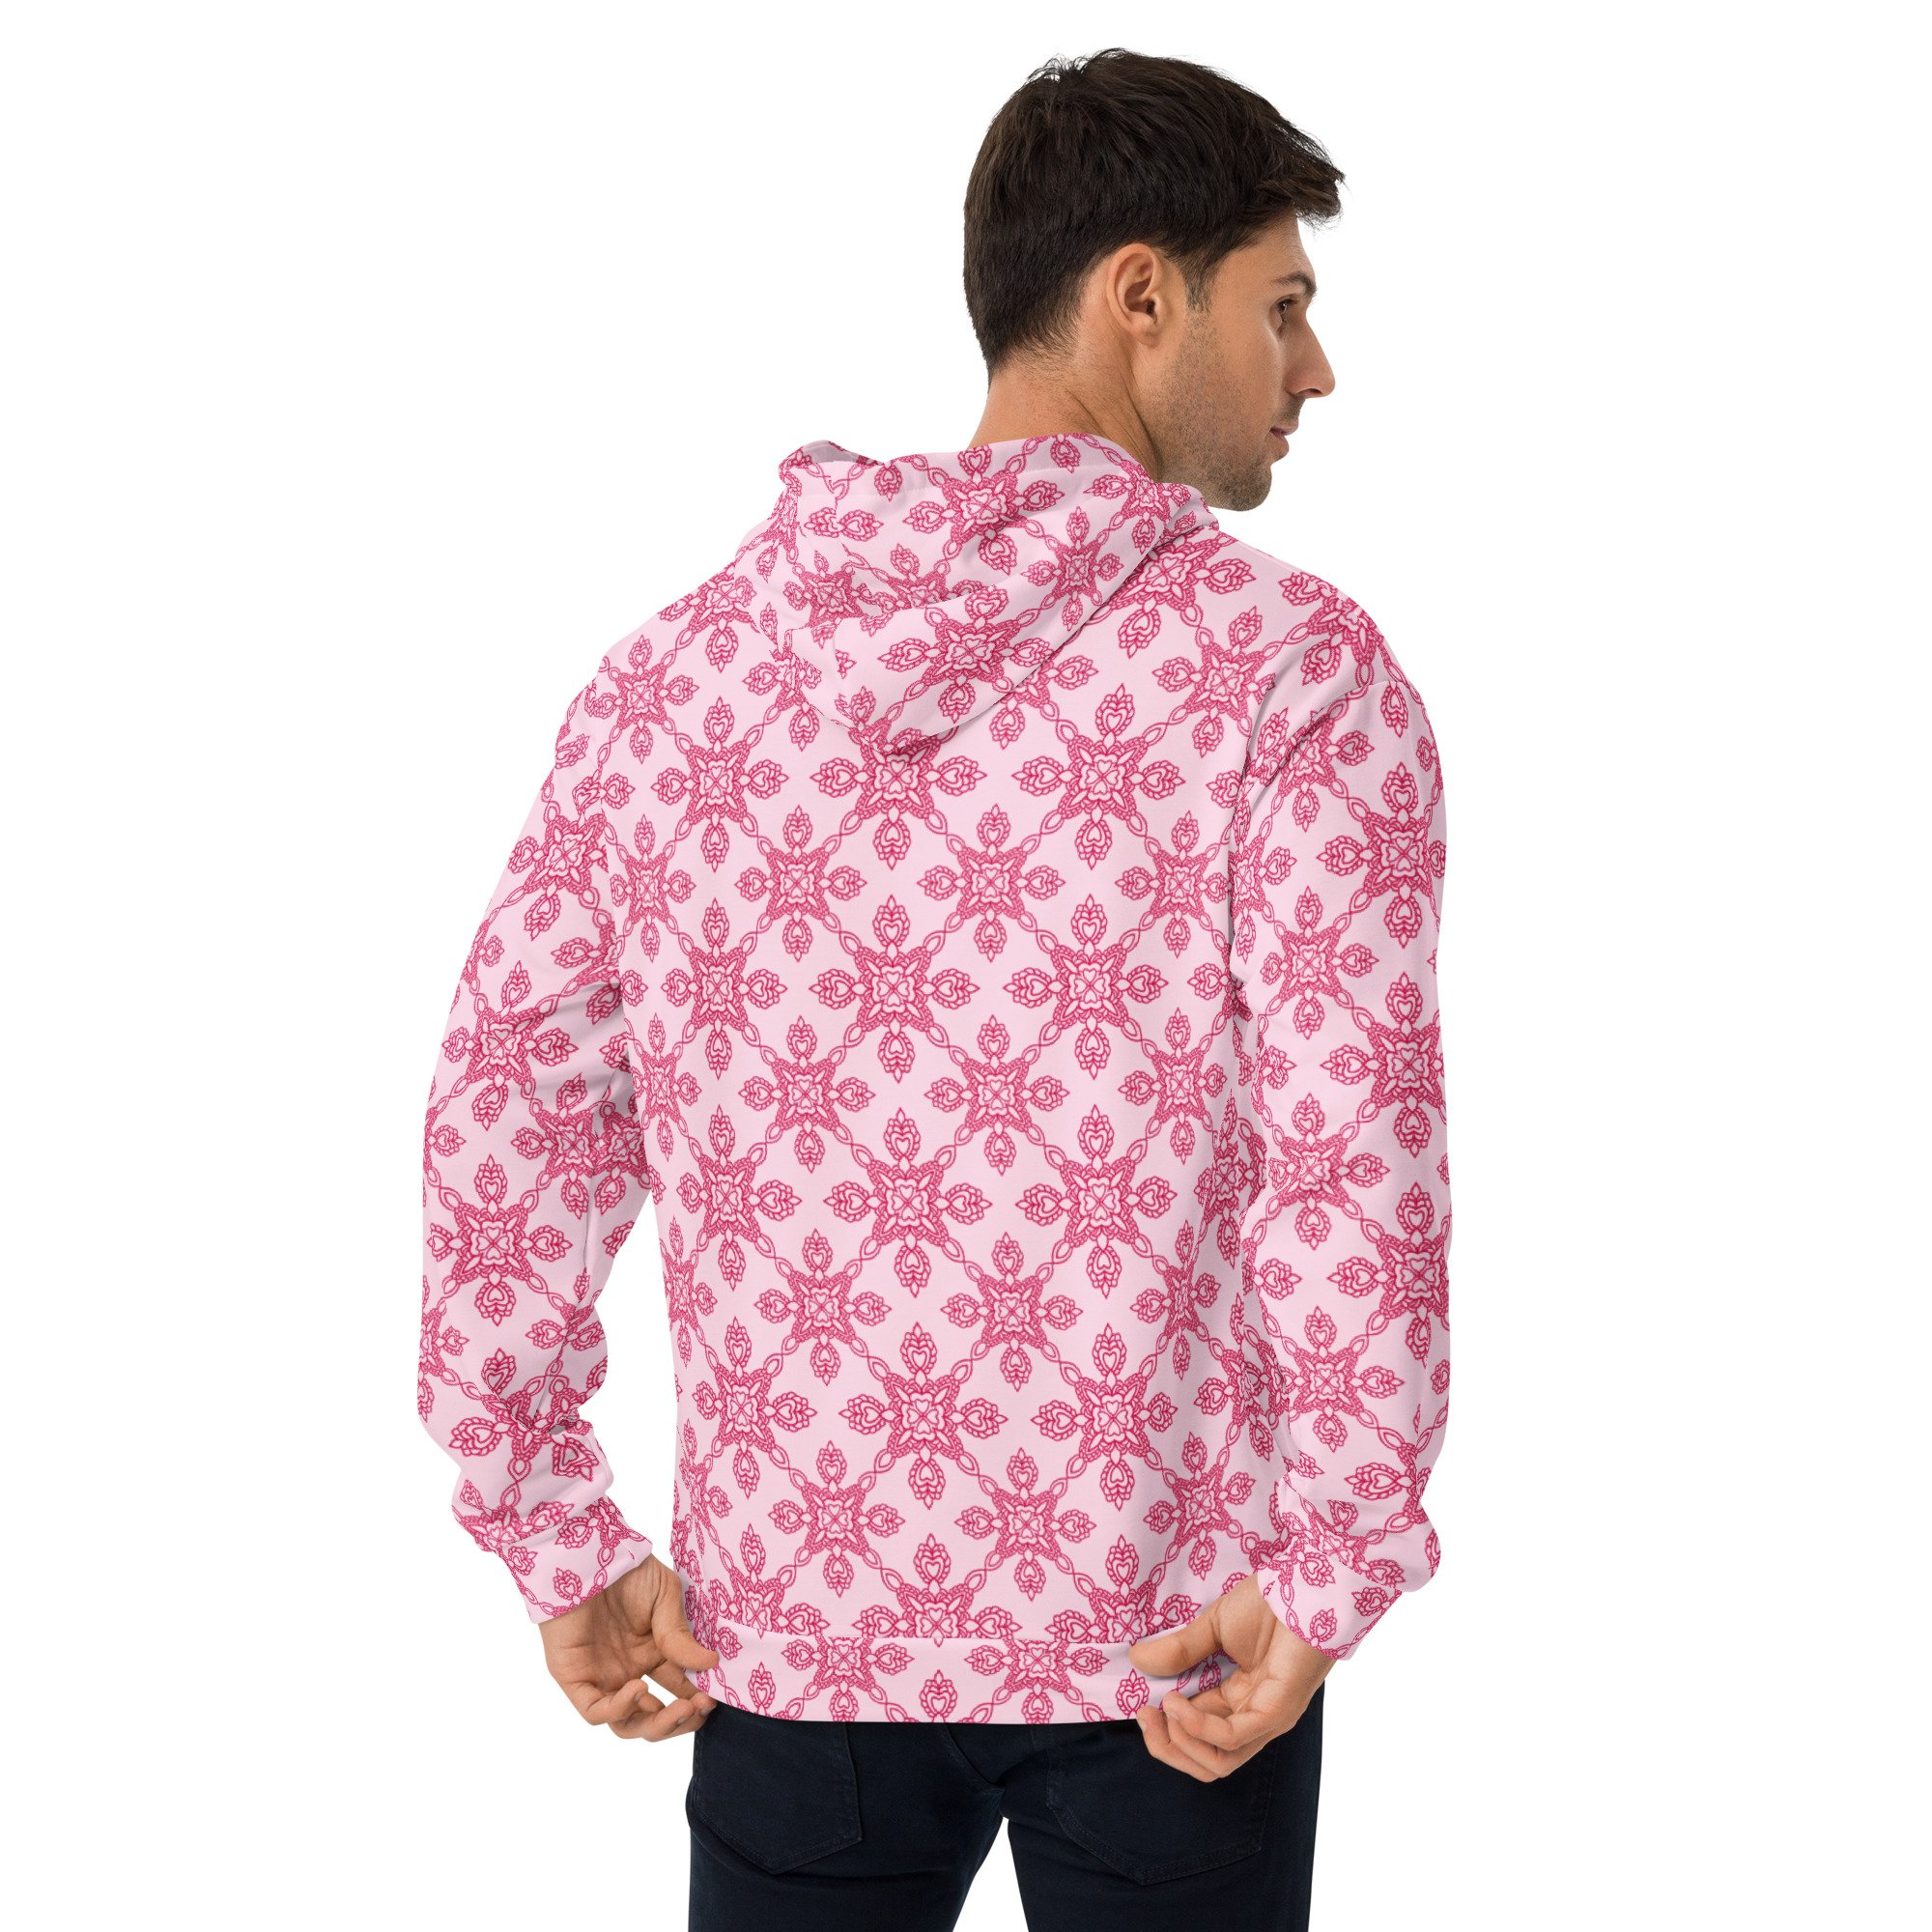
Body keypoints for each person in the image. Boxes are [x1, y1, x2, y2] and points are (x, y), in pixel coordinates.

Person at [417, 43, 1452, 1932]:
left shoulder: (677, 684)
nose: (1315, 368)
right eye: (1283, 304)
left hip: (800, 1643)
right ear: (1140, 295)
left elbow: (512, 1116)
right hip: (1179, 1650)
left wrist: (551, 1525)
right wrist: (1329, 1565)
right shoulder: (1290, 680)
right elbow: (1347, 1159)